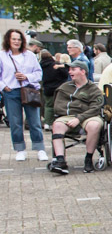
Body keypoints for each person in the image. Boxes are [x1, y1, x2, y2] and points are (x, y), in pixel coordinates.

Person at [47, 60, 104, 175]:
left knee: (94, 125)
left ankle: (88, 159)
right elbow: (57, 106)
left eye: (73, 69)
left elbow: (95, 108)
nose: (70, 72)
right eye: (69, 70)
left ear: (83, 71)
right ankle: (60, 161)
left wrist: (79, 118)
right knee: (57, 125)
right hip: (67, 116)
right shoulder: (64, 87)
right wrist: (70, 115)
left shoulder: (93, 89)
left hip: (89, 116)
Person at [2, 28, 47, 161]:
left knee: (34, 121)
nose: (16, 41)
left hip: (29, 90)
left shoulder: (30, 55)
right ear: (8, 40)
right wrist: (4, 86)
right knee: (15, 122)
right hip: (11, 92)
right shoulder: (2, 55)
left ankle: (40, 149)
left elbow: (38, 73)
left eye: (19, 39)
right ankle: (20, 149)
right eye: (14, 39)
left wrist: (26, 76)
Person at [39, 50, 69, 129]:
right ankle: (57, 122)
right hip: (58, 87)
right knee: (59, 106)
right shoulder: (56, 65)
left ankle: (47, 123)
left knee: (48, 106)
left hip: (47, 88)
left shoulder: (40, 66)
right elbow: (65, 75)